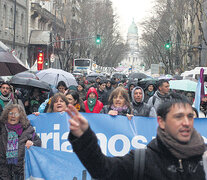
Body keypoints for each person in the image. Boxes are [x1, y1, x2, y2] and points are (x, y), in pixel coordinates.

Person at [67, 93, 206, 180]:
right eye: (178, 117)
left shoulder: (203, 159)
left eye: (189, 116)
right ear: (161, 122)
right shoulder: (143, 160)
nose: (186, 123)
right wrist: (84, 137)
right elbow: (103, 170)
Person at [0, 104, 41, 179]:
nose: (13, 116)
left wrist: (33, 143)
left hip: (22, 174)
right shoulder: (2, 129)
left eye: (16, 114)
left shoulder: (28, 130)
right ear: (6, 115)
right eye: (10, 113)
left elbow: (38, 143)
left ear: (20, 116)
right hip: (4, 173)